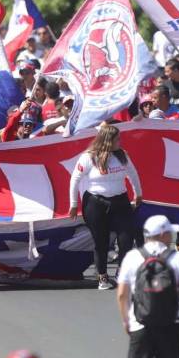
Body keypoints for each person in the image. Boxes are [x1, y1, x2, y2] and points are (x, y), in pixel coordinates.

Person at [116, 215, 179, 358]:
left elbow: (121, 295)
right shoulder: (176, 258)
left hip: (139, 323)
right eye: (170, 233)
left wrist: (126, 321)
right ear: (163, 235)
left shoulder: (132, 257)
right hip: (170, 324)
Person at [68, 123, 143, 290]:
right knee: (101, 241)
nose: (120, 142)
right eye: (117, 139)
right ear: (107, 140)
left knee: (126, 238)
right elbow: (75, 179)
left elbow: (133, 174)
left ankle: (121, 271)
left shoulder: (122, 155)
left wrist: (138, 194)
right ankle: (102, 277)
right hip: (95, 203)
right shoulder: (89, 157)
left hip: (120, 201)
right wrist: (73, 204)